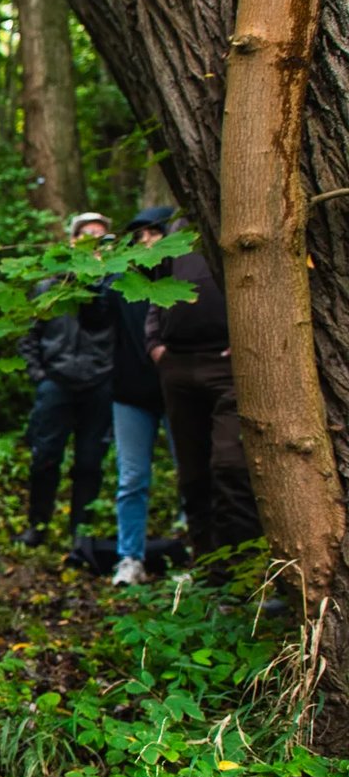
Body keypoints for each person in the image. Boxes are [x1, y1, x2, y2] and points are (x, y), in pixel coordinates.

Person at [144, 223, 263, 564]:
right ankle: (212, 574)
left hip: (229, 366)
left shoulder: (241, 220)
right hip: (178, 364)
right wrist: (155, 344)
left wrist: (249, 340)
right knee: (193, 475)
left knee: (231, 466)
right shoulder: (177, 227)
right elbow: (155, 292)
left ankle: (246, 574)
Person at [16, 213, 115, 551]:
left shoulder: (115, 286)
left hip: (98, 384)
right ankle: (38, 526)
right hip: (55, 382)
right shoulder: (49, 286)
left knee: (89, 461)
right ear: (73, 241)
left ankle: (81, 532)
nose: (93, 242)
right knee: (45, 457)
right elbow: (28, 335)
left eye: (100, 237)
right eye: (86, 236)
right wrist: (39, 374)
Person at [106, 206, 173, 585]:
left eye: (154, 233)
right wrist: (94, 273)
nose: (145, 240)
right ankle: (130, 558)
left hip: (180, 391)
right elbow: (94, 319)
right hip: (130, 393)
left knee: (194, 478)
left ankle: (201, 558)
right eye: (139, 235)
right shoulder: (120, 281)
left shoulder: (185, 276)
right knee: (131, 479)